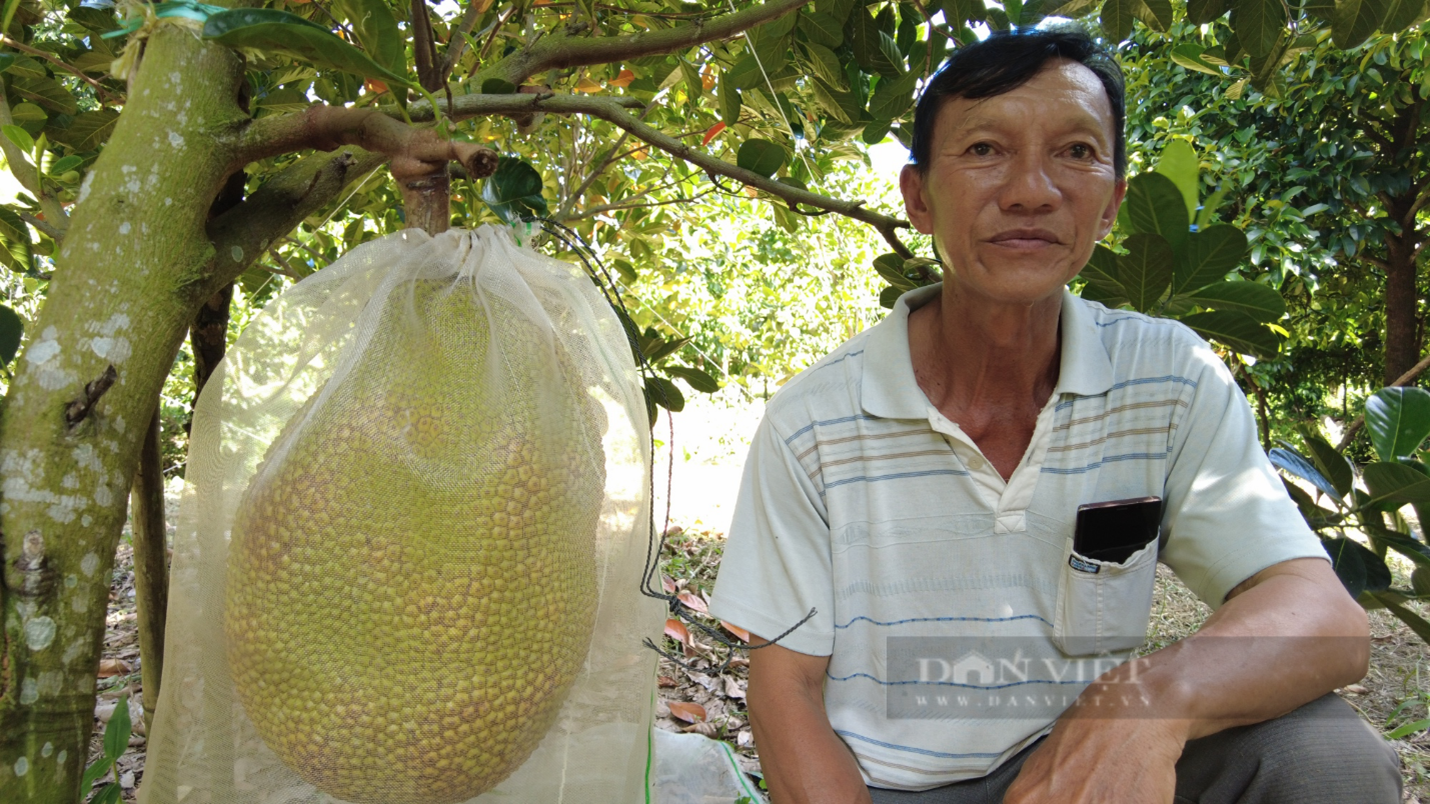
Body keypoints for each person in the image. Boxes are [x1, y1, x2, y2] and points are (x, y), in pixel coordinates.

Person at [706, 26, 1400, 804]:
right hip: (893, 789)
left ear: (1111, 204)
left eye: (1075, 151)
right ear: (917, 197)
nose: (1032, 190)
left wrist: (1137, 708)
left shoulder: (1168, 380)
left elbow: (1322, 615)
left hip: (1086, 775)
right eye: (983, 151)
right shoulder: (815, 423)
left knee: (1326, 757)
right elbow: (785, 692)